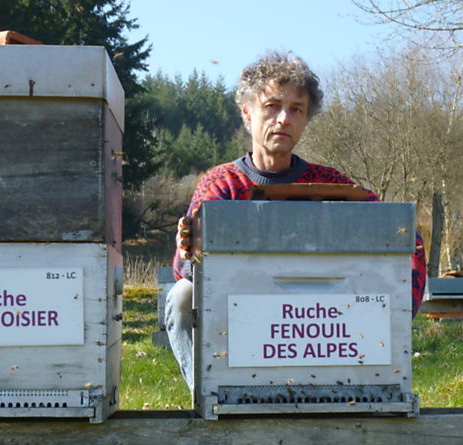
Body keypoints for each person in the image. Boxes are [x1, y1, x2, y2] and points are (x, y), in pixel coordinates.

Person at [166, 51, 426, 392]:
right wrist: (191, 254)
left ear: (305, 120)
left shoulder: (332, 184)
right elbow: (184, 269)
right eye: (272, 106)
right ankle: (212, 398)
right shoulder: (222, 183)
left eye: (296, 109)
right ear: (247, 113)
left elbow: (401, 235)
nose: (284, 118)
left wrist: (400, 305)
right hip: (240, 319)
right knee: (182, 297)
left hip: (323, 325)